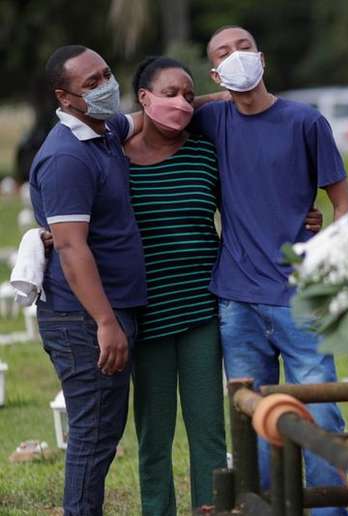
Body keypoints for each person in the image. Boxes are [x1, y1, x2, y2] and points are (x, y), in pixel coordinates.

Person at [124, 56, 325, 515]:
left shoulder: (202, 152)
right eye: (169, 93)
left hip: (201, 307)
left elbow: (251, 201)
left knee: (210, 431)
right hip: (147, 313)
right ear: (143, 98)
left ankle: (209, 509)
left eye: (188, 95)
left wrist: (303, 215)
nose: (180, 103)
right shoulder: (117, 158)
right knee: (154, 434)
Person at [195, 26, 348, 515]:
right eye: (223, 53)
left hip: (298, 294)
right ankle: (265, 506)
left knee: (320, 409)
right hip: (237, 298)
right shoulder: (214, 120)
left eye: (243, 48)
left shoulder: (305, 121)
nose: (236, 56)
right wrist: (217, 92)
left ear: (261, 57)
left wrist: (327, 258)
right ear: (215, 73)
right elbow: (169, 106)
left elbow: (343, 203)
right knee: (256, 414)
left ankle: (329, 508)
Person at [29, 45, 146, 516]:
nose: (105, 87)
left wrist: (209, 102)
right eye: (91, 84)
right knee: (93, 435)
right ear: (66, 97)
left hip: (108, 308)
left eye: (106, 75)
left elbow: (142, 116)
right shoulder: (66, 158)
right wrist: (105, 322)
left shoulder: (103, 132)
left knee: (102, 432)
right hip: (83, 318)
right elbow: (73, 248)